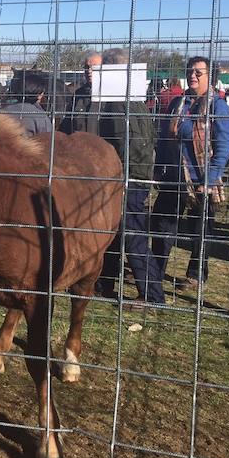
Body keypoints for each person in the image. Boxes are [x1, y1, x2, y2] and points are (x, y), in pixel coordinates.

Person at [66, 48, 162, 305]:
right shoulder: (120, 98)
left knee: (133, 236)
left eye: (98, 68)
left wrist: (121, 176)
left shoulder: (119, 102)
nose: (91, 72)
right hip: (102, 176)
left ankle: (153, 296)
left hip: (123, 178)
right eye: (87, 67)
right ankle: (104, 284)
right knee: (108, 233)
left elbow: (123, 145)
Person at [150, 57, 229, 292]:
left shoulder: (218, 107)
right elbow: (164, 139)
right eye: (190, 71)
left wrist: (208, 180)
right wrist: (160, 169)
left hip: (200, 181)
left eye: (199, 72)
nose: (193, 75)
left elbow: (224, 147)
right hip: (173, 178)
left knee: (200, 232)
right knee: (161, 225)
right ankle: (155, 271)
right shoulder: (178, 103)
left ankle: (196, 275)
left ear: (211, 77)